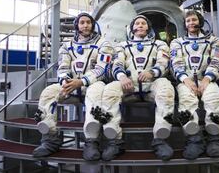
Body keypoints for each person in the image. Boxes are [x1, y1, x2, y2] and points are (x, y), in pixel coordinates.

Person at [32, 12, 114, 158]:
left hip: (93, 84)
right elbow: (63, 68)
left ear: (93, 25)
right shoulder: (67, 46)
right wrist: (65, 82)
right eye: (82, 22)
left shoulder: (104, 44)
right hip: (71, 84)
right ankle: (50, 140)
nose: (85, 25)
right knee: (48, 93)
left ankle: (91, 142)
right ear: (77, 25)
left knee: (95, 93)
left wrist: (81, 82)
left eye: (88, 22)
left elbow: (103, 69)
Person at [94, 15, 175, 161]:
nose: (140, 25)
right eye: (137, 23)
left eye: (143, 23)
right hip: (129, 85)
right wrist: (122, 77)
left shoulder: (159, 44)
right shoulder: (122, 45)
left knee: (166, 89)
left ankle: (160, 139)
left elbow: (164, 63)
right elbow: (117, 63)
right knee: (110, 91)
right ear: (132, 28)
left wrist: (152, 72)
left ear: (148, 28)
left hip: (152, 84)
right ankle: (114, 141)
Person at [170, 10, 219, 160]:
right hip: (186, 81)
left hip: (208, 80)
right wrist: (185, 80)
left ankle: (216, 140)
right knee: (186, 105)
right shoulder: (177, 43)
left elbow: (218, 60)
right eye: (188, 21)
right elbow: (175, 63)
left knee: (213, 101)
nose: (191, 23)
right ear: (185, 24)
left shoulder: (215, 41)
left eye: (194, 20)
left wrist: (207, 79)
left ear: (200, 22)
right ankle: (194, 140)